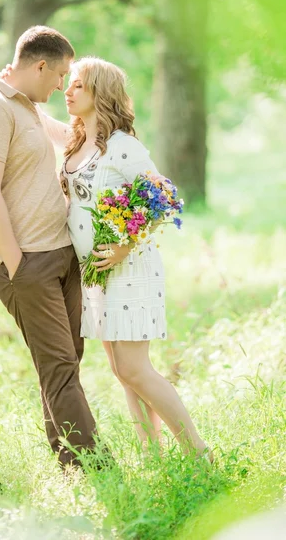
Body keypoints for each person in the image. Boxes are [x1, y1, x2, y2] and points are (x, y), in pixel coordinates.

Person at [60, 57, 212, 459]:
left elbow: (163, 198)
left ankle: (199, 452)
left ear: (99, 93)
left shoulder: (125, 147)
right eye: (68, 84)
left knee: (134, 369)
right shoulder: (77, 142)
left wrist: (126, 245)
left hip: (129, 268)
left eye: (77, 85)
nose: (68, 91)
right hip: (95, 274)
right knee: (121, 371)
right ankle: (153, 455)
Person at [0, 26, 101, 469]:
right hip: (26, 262)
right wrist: (16, 264)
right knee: (60, 364)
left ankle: (70, 459)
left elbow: (76, 138)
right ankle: (94, 467)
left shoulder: (27, 106)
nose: (62, 85)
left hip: (60, 252)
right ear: (41, 65)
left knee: (66, 360)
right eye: (61, 75)